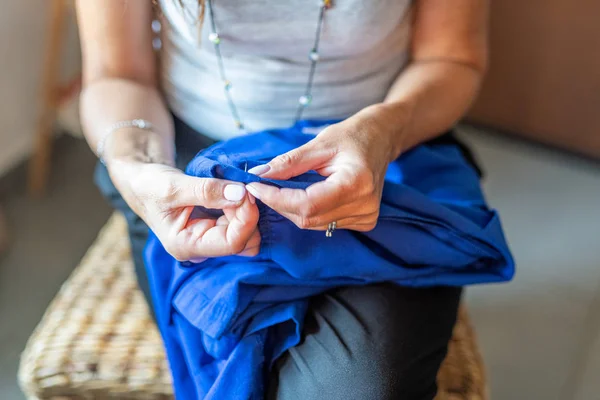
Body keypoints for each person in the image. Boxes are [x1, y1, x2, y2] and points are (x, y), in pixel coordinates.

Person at [76, 1, 489, 398]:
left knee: (363, 389)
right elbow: (117, 73)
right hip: (184, 166)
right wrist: (137, 171)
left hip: (386, 155)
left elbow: (452, 57)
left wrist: (386, 131)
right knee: (229, 352)